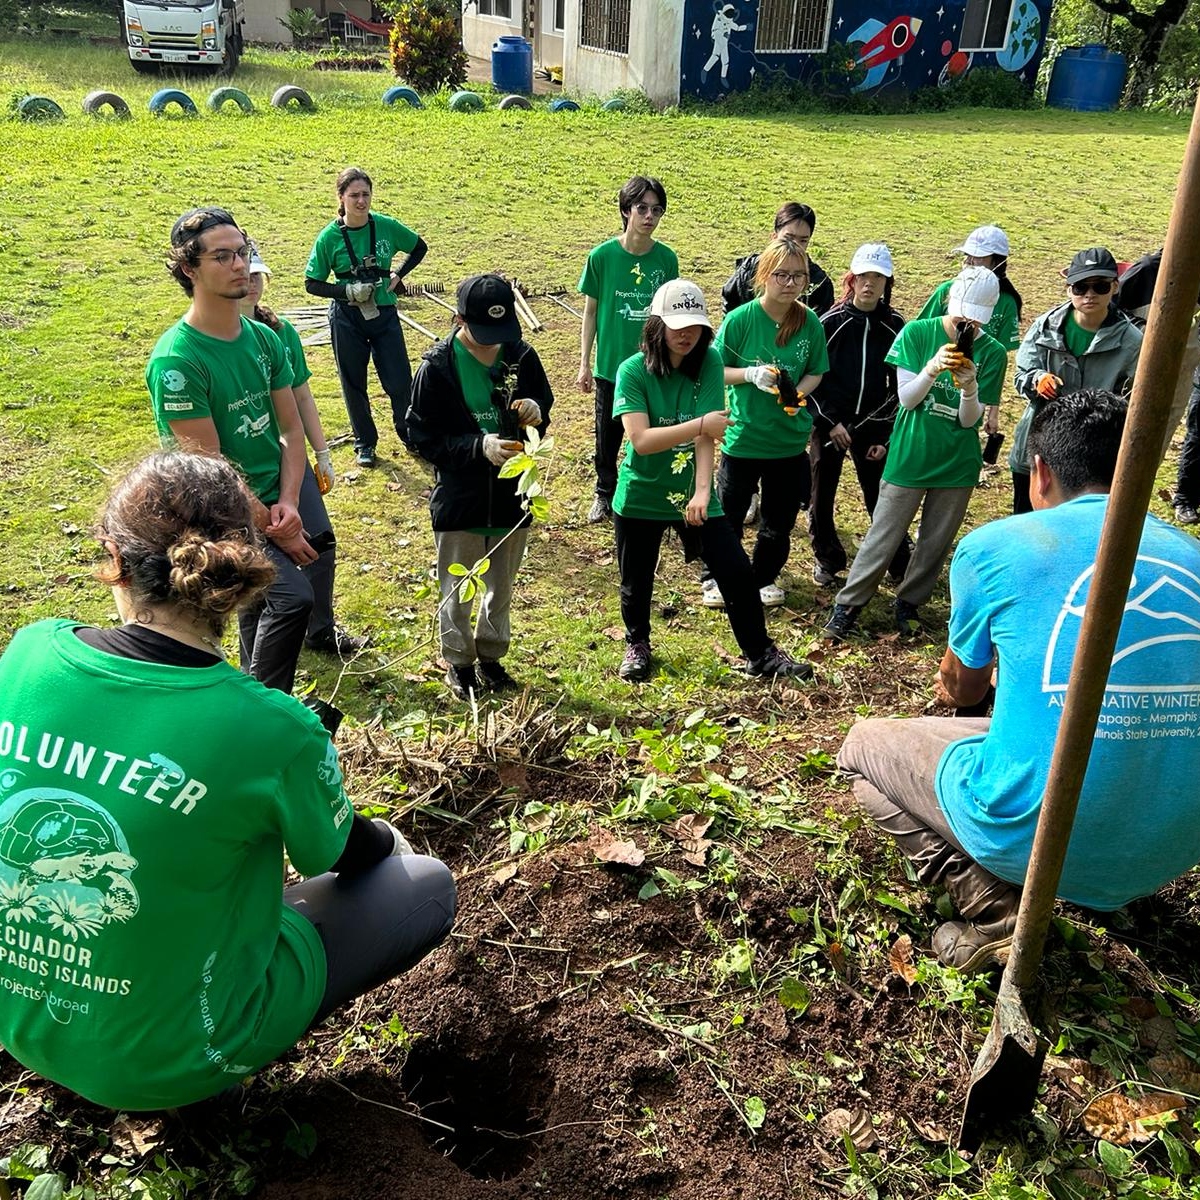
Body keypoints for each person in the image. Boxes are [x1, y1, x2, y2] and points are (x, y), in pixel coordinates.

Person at [0, 451, 456, 1109]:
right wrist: (386, 837)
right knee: (425, 885)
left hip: (21, 1024)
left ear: (114, 558)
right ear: (243, 567)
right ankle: (224, 1054)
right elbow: (341, 856)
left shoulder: (28, 653)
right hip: (166, 1065)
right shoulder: (272, 726)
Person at [838, 390, 1200, 971]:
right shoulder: (1192, 554)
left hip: (1043, 839)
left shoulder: (997, 547)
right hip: (1172, 848)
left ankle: (991, 908)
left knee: (862, 746)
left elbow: (963, 691)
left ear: (1040, 472)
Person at [146, 207, 354, 697]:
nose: (240, 265)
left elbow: (290, 428)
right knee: (291, 597)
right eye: (222, 257)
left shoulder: (264, 338)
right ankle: (263, 705)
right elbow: (210, 467)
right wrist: (274, 524)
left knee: (277, 589)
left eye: (242, 252)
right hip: (220, 504)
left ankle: (251, 688)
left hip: (277, 490)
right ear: (189, 269)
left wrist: (290, 502)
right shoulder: (178, 360)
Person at [610, 279, 813, 683]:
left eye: (695, 326)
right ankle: (637, 644)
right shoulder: (632, 371)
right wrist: (700, 424)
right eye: (676, 325)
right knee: (637, 579)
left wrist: (703, 491)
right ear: (657, 325)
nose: (686, 334)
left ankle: (760, 653)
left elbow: (709, 435)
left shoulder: (709, 362)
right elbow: (642, 440)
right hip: (641, 493)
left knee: (735, 571)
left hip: (693, 492)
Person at [821, 266, 1008, 641]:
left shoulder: (993, 352)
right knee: (883, 534)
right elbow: (907, 398)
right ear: (949, 302)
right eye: (963, 314)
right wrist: (932, 368)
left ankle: (909, 603)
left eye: (976, 318)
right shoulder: (917, 333)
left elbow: (968, 420)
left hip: (957, 462)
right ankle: (849, 606)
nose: (967, 324)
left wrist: (969, 387)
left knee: (935, 541)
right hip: (911, 452)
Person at [407, 275, 554, 701]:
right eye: (484, 333)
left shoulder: (521, 356)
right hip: (461, 498)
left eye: (501, 332)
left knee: (501, 586)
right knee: (456, 587)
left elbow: (543, 404)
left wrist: (536, 410)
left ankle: (491, 655)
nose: (494, 343)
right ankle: (458, 661)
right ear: (459, 320)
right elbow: (421, 436)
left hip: (513, 494)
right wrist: (477, 447)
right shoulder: (437, 369)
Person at [240, 244, 368, 658]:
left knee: (320, 544)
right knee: (255, 568)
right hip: (241, 475)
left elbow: (302, 397)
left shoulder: (280, 333)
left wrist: (322, 452)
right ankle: (260, 652)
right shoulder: (206, 344)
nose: (251, 283)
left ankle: (320, 629)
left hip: (288, 461)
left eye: (258, 275)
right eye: (246, 274)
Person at [706, 236, 828, 609]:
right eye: (781, 275)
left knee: (778, 521)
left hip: (788, 442)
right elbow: (714, 370)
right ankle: (720, 577)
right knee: (728, 515)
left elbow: (816, 371)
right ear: (763, 276)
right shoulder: (740, 319)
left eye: (798, 276)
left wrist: (798, 395)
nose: (790, 283)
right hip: (744, 437)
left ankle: (763, 578)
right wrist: (749, 375)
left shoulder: (809, 322)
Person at [304, 166, 428, 468]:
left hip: (383, 312)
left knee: (399, 379)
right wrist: (346, 291)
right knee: (353, 381)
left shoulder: (385, 226)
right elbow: (312, 283)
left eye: (365, 195)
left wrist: (398, 275)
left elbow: (419, 247)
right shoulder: (329, 237)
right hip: (347, 317)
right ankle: (365, 443)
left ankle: (410, 435)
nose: (361, 201)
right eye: (354, 195)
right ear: (341, 198)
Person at [578, 176, 679, 525]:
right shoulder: (602, 257)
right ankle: (604, 493)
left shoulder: (666, 259)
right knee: (607, 438)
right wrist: (584, 364)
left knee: (652, 433)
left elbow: (670, 315)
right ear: (626, 211)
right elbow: (591, 312)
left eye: (657, 210)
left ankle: (651, 492)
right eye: (642, 208)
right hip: (610, 367)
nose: (649, 216)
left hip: (653, 365)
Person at [807, 243, 909, 589]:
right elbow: (812, 378)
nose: (869, 284)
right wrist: (829, 422)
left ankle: (897, 560)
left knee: (881, 496)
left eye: (878, 277)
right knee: (822, 493)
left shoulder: (896, 325)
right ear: (851, 279)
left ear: (887, 282)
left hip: (874, 424)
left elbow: (901, 384)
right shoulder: (829, 323)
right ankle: (827, 558)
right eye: (863, 276)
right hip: (830, 422)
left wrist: (886, 435)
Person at [1010, 248, 1142, 514]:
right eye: (1081, 287)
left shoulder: (1132, 341)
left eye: (1100, 286)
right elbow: (1021, 375)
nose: (1089, 295)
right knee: (1025, 520)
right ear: (1068, 289)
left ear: (1115, 287)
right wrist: (1037, 379)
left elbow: (1134, 399)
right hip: (1039, 444)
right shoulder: (1044, 326)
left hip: (1092, 457)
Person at [1115, 246, 1200, 463]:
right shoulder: (1146, 271)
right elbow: (1111, 317)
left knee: (1163, 425)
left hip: (1180, 363)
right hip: (1135, 364)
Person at [721, 202, 835, 317]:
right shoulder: (749, 269)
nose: (795, 246)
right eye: (789, 238)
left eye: (803, 241)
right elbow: (730, 308)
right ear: (774, 237)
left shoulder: (819, 283)